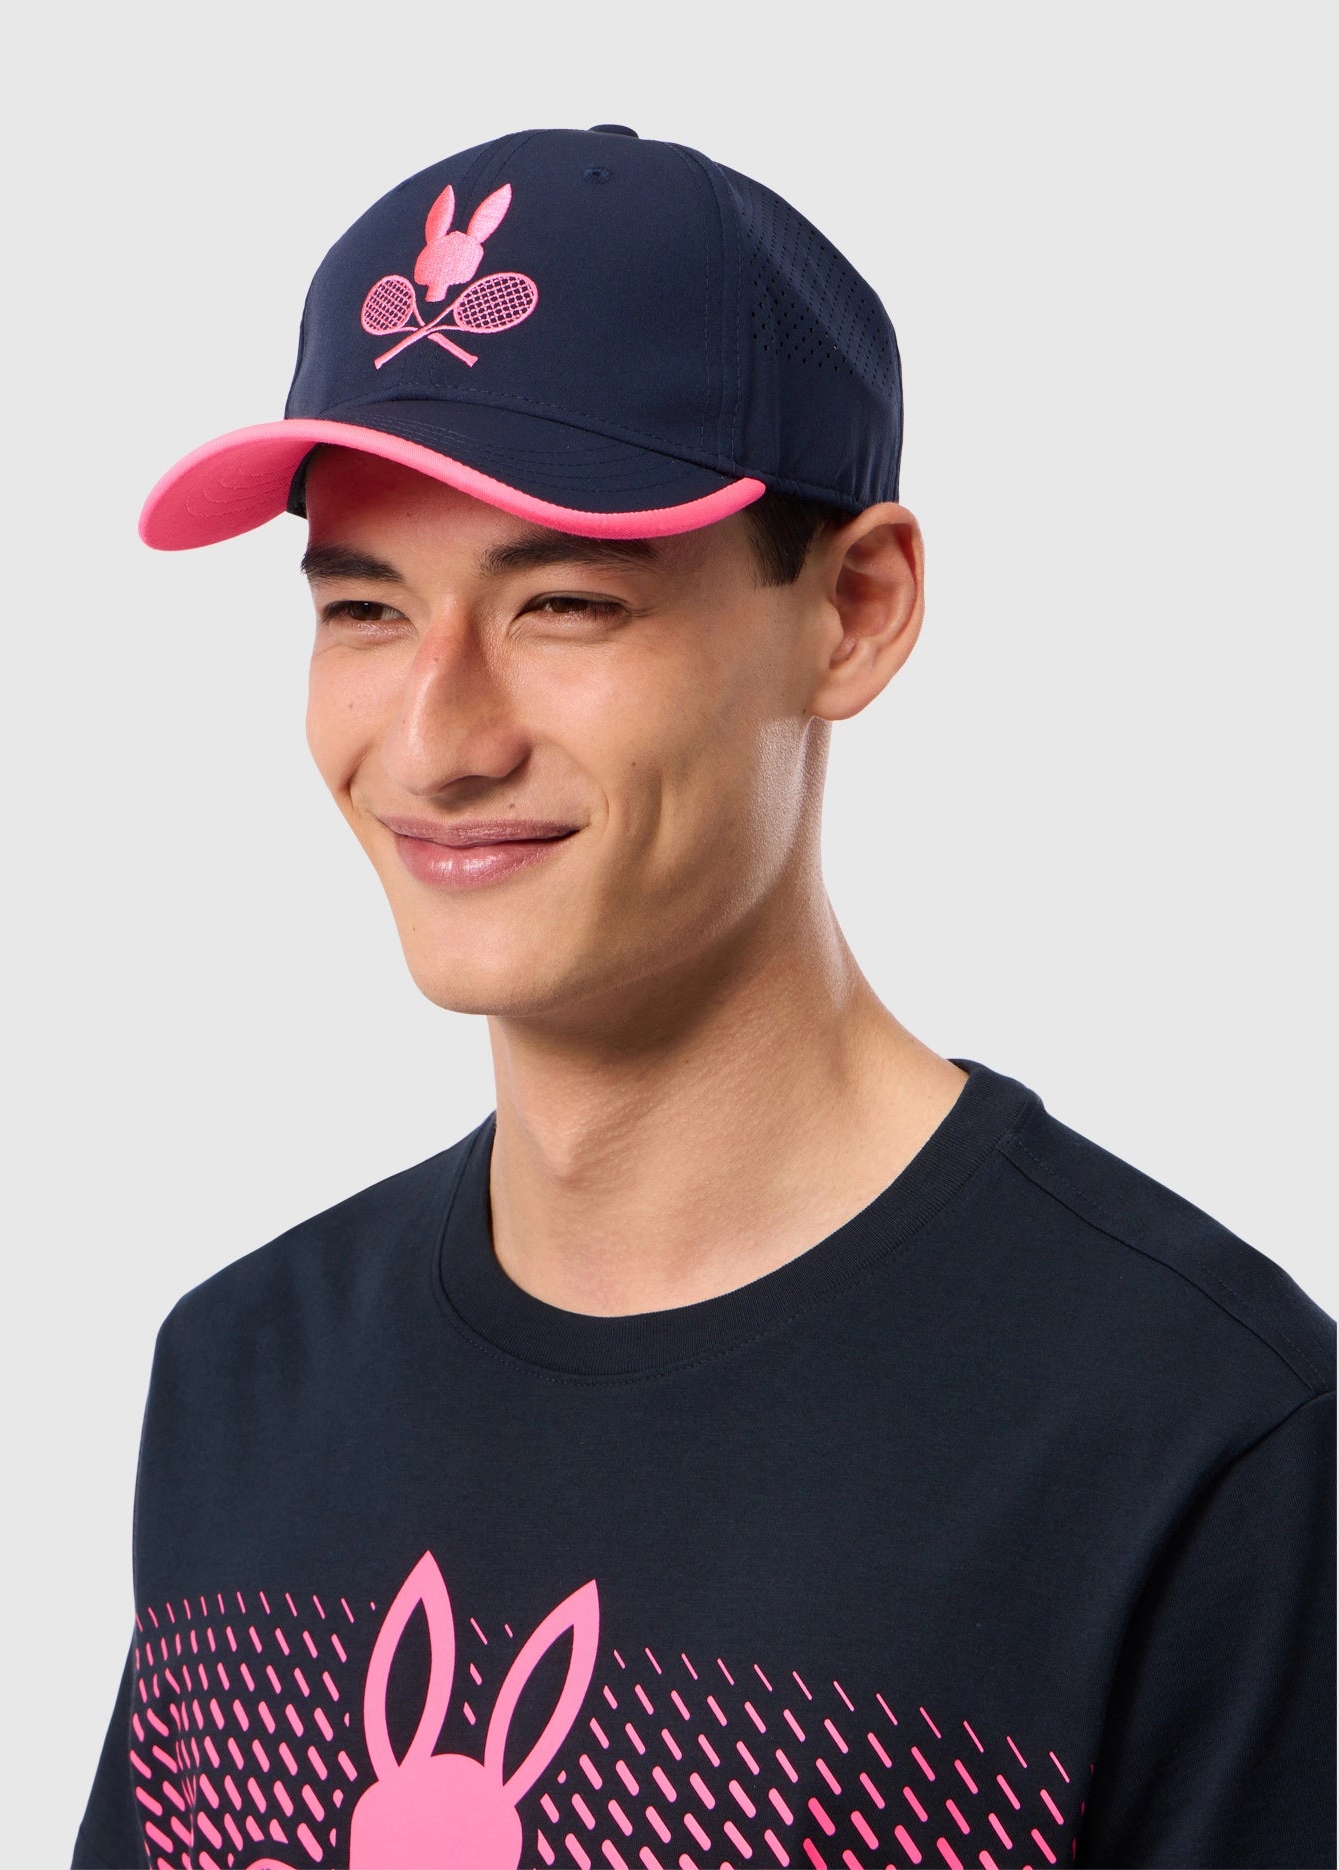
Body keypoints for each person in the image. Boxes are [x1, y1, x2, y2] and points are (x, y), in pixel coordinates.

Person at [72, 125, 1335, 1870]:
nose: (440, 737)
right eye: (365, 608)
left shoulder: (1199, 1440)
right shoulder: (243, 1378)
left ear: (857, 610)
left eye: (567, 603)